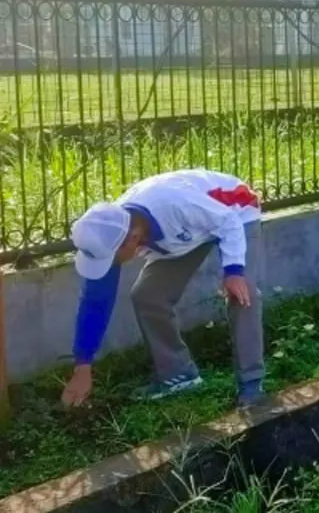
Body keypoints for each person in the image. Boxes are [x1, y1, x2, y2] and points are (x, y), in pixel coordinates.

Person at [61, 170, 266, 409]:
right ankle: (178, 374)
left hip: (235, 211)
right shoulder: (109, 233)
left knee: (241, 294)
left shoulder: (174, 204)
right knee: (148, 296)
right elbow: (95, 301)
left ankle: (252, 384)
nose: (108, 266)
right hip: (185, 234)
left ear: (134, 238)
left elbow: (227, 221)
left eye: (109, 259)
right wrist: (82, 365)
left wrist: (233, 272)